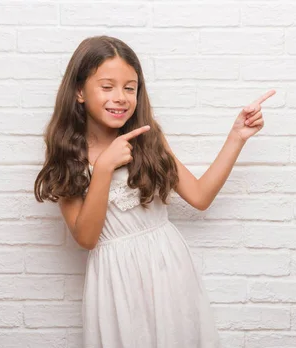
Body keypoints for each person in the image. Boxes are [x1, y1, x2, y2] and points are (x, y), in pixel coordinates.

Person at [34, 35, 274, 348]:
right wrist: (103, 169)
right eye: (107, 87)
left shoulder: (148, 140)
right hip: (114, 279)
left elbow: (200, 197)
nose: (120, 97)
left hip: (167, 267)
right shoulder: (67, 153)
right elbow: (87, 239)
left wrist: (237, 137)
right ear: (79, 91)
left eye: (129, 88)